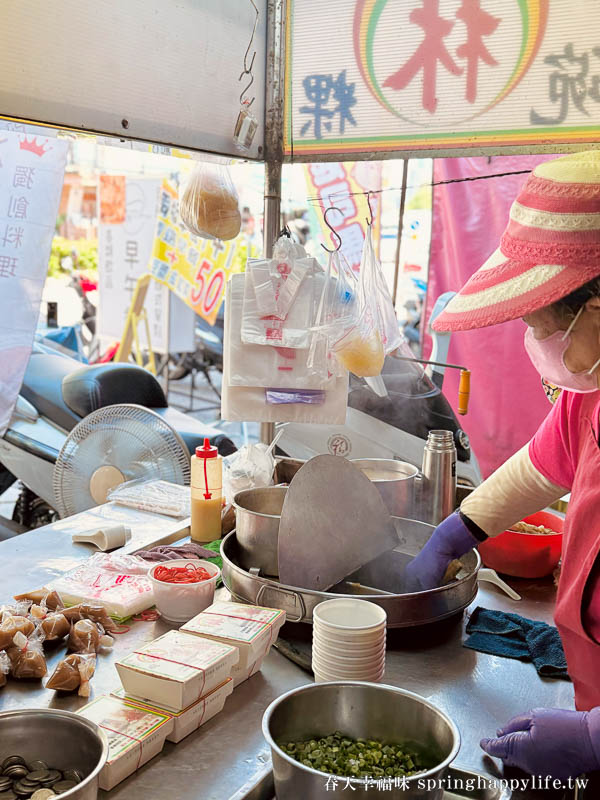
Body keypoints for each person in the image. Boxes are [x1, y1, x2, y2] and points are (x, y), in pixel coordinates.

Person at [405, 151, 600, 781]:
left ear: (595, 308)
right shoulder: (589, 395)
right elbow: (541, 468)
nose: (532, 333)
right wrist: (453, 533)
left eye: (541, 318)